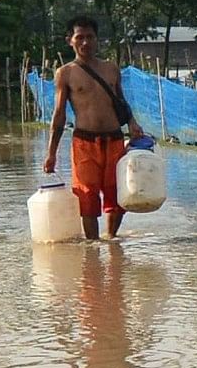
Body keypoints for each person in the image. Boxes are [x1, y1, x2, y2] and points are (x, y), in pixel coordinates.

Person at [38, 15, 141, 240]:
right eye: (80, 37)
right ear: (70, 41)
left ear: (97, 40)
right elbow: (59, 115)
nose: (85, 42)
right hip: (84, 142)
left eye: (90, 37)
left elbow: (121, 103)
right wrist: (51, 153)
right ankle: (93, 247)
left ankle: (111, 240)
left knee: (117, 193)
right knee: (86, 195)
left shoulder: (111, 69)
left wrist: (133, 124)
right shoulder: (65, 73)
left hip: (114, 139)